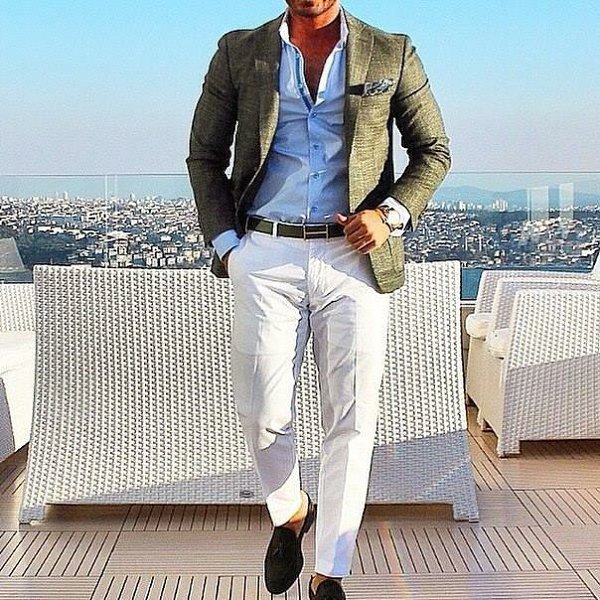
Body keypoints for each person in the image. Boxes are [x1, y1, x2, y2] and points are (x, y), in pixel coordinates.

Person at [186, 1, 450, 597]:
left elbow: (433, 149)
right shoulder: (239, 50)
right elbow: (204, 155)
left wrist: (390, 215)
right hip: (265, 254)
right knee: (261, 410)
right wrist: (229, 246)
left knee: (352, 418)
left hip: (354, 258)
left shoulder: (392, 51)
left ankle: (331, 570)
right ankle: (290, 511)